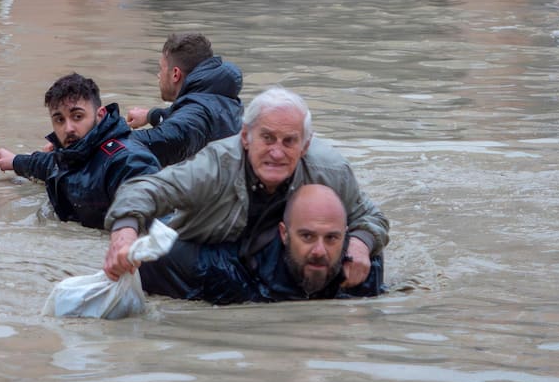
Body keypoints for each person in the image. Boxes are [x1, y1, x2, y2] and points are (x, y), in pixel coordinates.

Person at [102, 85, 388, 291]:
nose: (277, 153)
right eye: (267, 138)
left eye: (289, 141)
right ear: (246, 137)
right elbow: (144, 189)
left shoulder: (331, 171)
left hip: (274, 254)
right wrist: (123, 234)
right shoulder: (215, 166)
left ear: (306, 145)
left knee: (369, 264)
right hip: (211, 250)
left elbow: (371, 218)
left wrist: (361, 244)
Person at [138, 184, 384, 304]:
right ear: (284, 233)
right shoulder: (226, 270)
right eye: (307, 237)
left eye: (331, 238)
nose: (320, 251)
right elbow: (150, 255)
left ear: (346, 235)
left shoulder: (361, 270)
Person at [0, 73, 159, 230]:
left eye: (77, 116)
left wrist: (126, 232)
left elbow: (152, 209)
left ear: (100, 115)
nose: (68, 128)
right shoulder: (73, 153)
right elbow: (48, 164)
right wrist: (14, 161)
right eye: (59, 119)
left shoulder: (127, 160)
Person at [124, 32, 244, 167]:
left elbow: (168, 138)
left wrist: (107, 137)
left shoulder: (197, 112)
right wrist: (150, 115)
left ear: (175, 74)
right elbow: (186, 119)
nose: (159, 75)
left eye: (161, 69)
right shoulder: (220, 98)